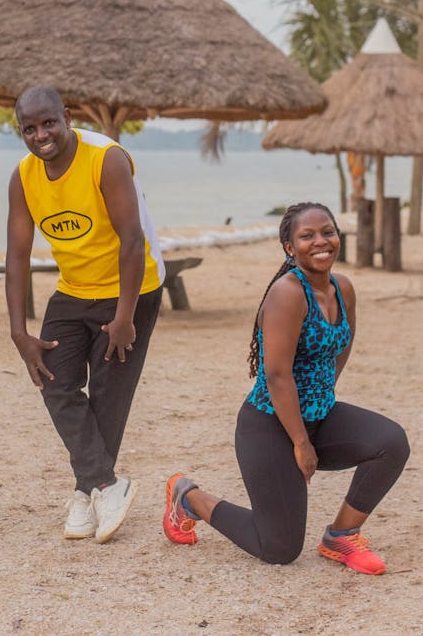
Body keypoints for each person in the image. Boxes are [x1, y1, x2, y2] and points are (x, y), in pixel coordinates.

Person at [162, 202, 410, 575]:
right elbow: (277, 374)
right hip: (270, 425)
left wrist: (324, 394)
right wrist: (301, 442)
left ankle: (341, 534)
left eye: (327, 232)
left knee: (391, 442)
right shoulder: (287, 293)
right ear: (290, 248)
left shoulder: (342, 287)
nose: (320, 242)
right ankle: (191, 498)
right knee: (279, 548)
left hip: (317, 416)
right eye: (306, 236)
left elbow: (343, 345)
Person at [5, 87, 164, 544]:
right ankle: (102, 483)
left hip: (129, 289)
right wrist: (18, 331)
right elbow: (17, 255)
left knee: (109, 397)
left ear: (66, 117)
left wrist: (126, 317)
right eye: (29, 129)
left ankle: (86, 489)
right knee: (54, 381)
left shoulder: (106, 159)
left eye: (49, 123)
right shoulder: (23, 177)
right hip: (73, 290)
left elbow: (132, 241)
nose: (41, 135)